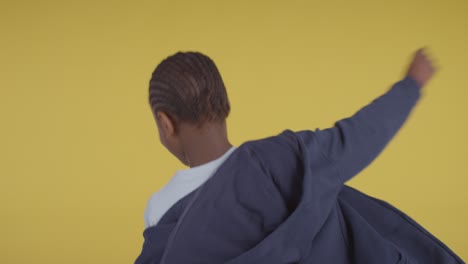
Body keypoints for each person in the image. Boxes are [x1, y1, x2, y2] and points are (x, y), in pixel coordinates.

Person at [135, 49, 464, 263]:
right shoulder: (280, 164)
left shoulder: (161, 212)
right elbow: (357, 137)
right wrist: (411, 85)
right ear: (225, 104)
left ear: (165, 124)